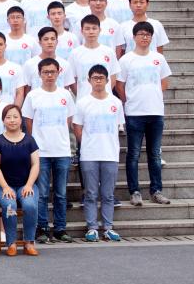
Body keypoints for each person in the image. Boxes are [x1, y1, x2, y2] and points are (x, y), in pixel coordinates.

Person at [21, 58, 77, 244]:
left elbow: (68, 121)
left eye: (52, 72)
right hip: (41, 152)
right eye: (45, 72)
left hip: (62, 150)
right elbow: (28, 122)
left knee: (61, 193)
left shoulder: (65, 95)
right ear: (39, 74)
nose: (49, 75)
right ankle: (42, 227)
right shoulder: (33, 96)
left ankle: (60, 228)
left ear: (59, 73)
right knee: (43, 193)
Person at [117, 21, 172, 206]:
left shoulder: (158, 58)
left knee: (154, 154)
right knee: (133, 154)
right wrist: (129, 101)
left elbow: (164, 82)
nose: (144, 37)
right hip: (134, 113)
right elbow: (120, 85)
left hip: (155, 112)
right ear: (134, 37)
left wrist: (152, 96)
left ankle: (156, 190)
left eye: (148, 34)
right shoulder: (126, 60)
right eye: (141, 34)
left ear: (151, 37)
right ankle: (134, 192)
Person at [74, 65, 125, 242]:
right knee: (91, 193)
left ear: (107, 80)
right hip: (89, 154)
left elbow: (118, 127)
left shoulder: (115, 103)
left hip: (110, 154)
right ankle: (92, 227)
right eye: (95, 78)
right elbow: (77, 127)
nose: (98, 81)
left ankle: (108, 227)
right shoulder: (82, 103)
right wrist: (87, 144)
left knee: (108, 194)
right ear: (89, 80)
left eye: (101, 78)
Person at [0, 104, 40, 256]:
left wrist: (29, 185)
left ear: (21, 119)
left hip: (26, 184)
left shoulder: (30, 140)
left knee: (30, 205)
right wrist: (5, 187)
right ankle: (11, 243)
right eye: (8, 117)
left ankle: (29, 242)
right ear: (3, 120)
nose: (12, 120)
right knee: (9, 205)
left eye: (15, 117)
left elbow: (36, 164)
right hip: (3, 186)